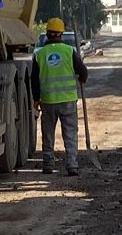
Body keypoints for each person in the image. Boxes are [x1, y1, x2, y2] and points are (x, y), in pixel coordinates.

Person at [31, 17, 88, 176]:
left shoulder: (39, 55)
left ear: (47, 34)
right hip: (68, 101)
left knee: (47, 134)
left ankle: (48, 164)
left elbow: (34, 80)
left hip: (48, 102)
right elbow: (83, 72)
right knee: (70, 134)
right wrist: (82, 79)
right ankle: (72, 165)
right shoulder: (69, 52)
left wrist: (36, 99)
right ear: (61, 34)